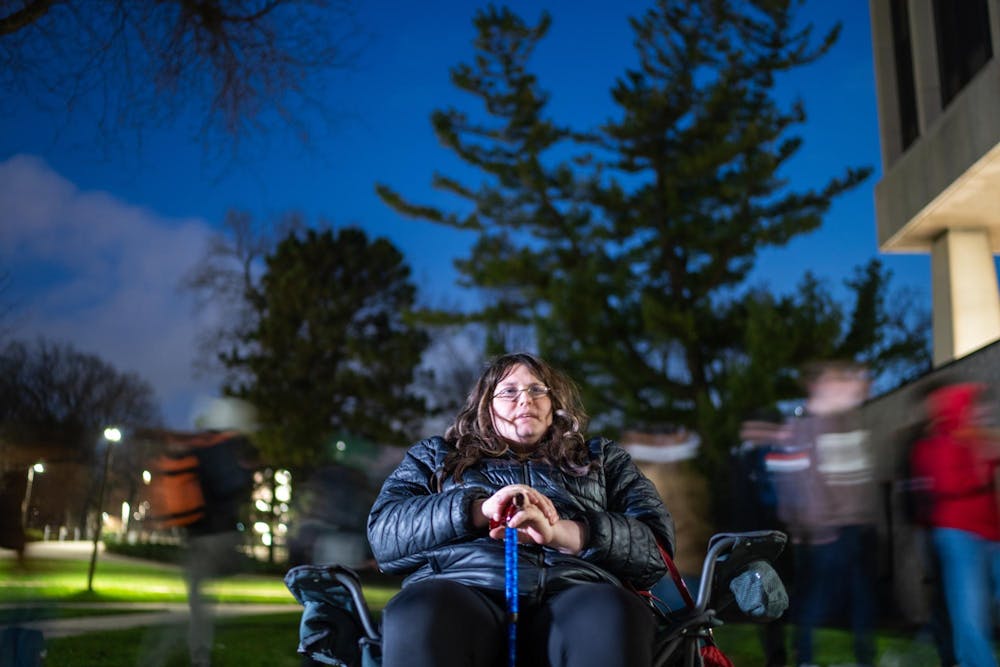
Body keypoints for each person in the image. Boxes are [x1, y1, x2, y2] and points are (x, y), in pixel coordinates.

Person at [367, 352, 675, 667]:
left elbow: (656, 550)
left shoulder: (603, 459)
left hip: (577, 593)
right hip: (462, 588)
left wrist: (564, 532)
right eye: (509, 391)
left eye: (537, 390)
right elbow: (385, 535)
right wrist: (478, 510)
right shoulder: (435, 456)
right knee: (422, 611)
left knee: (612, 612)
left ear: (555, 403)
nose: (525, 400)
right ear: (487, 406)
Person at [770, 360, 878, 667]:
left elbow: (858, 477)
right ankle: (806, 656)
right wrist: (816, 526)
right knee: (818, 599)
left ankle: (862, 658)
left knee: (861, 601)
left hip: (855, 526)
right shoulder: (802, 429)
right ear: (817, 386)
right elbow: (797, 483)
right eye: (835, 380)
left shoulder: (848, 423)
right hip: (824, 530)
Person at [910, 381, 1000, 667]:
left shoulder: (980, 439)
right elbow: (946, 483)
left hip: (990, 531)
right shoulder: (935, 445)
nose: (984, 412)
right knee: (969, 611)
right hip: (957, 533)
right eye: (977, 406)